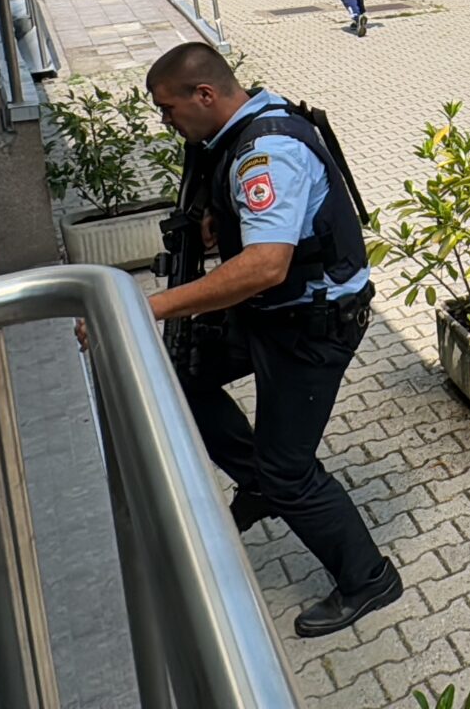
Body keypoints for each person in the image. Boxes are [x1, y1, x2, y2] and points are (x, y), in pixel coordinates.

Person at [138, 43, 402, 637]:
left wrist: (148, 306)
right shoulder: (242, 126)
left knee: (291, 471)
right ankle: (257, 481)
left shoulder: (267, 151)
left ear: (205, 96)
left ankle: (368, 579)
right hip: (273, 313)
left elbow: (265, 265)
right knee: (182, 377)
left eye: (168, 109)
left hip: (312, 324)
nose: (166, 122)